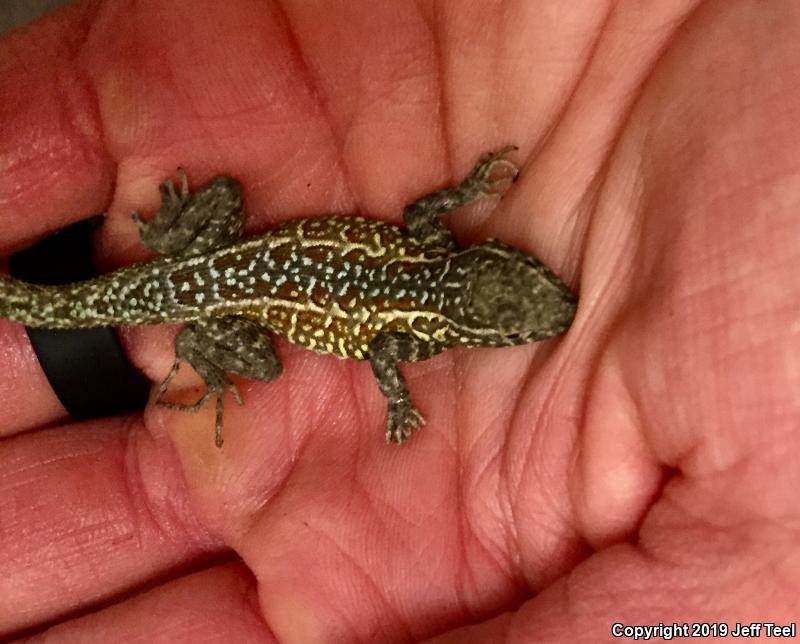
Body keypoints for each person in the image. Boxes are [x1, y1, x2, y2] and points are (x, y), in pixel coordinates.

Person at [0, 1, 796, 641]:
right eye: (526, 296)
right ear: (484, 304)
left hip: (213, 262)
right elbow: (384, 349)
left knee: (225, 214)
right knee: (266, 365)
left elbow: (420, 220)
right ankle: (196, 341)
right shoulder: (418, 326)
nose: (545, 301)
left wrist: (471, 187)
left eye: (530, 288)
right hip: (214, 292)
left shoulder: (430, 256)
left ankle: (175, 250)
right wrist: (403, 400)